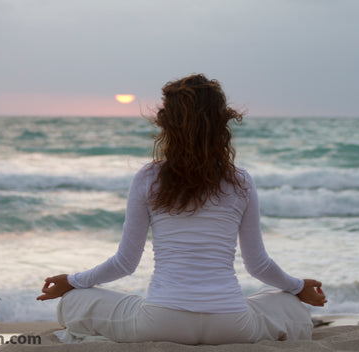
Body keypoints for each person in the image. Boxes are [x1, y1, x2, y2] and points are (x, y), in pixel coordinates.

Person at [37, 74, 327, 344]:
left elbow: (125, 263)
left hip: (161, 322)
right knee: (291, 305)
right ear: (221, 125)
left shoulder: (148, 178)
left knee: (73, 301)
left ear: (167, 125)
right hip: (232, 324)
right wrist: (298, 286)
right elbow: (258, 265)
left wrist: (72, 281)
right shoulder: (241, 182)